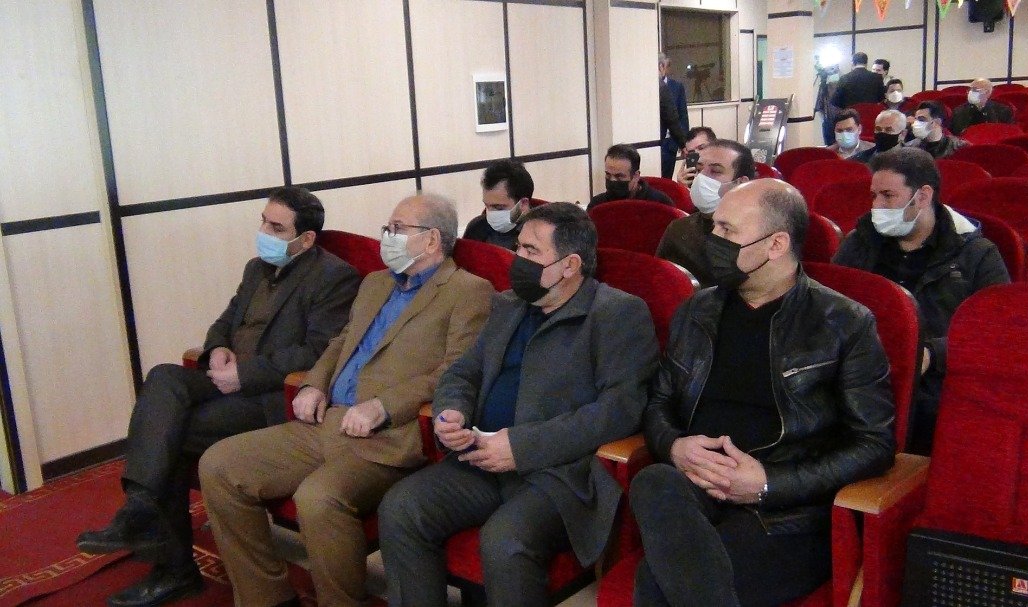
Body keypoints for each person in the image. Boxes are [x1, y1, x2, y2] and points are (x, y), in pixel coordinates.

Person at [198, 194, 493, 607]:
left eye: (397, 229)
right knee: (219, 465)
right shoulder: (375, 283)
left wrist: (383, 406)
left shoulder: (468, 291)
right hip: (326, 420)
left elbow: (456, 370)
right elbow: (341, 341)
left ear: (431, 240)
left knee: (318, 499)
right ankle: (267, 597)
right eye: (387, 228)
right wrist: (314, 383)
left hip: (386, 437)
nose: (386, 237)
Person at [75, 187, 361, 607]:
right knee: (164, 377)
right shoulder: (255, 268)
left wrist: (244, 373)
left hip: (270, 394)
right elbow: (226, 320)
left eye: (276, 227)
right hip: (225, 377)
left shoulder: (334, 277)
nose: (264, 232)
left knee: (170, 435)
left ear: (306, 239)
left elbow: (319, 351)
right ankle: (140, 506)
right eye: (263, 221)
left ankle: (170, 564)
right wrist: (217, 348)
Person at [377, 202, 659, 607]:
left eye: (531, 251)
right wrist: (452, 411)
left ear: (570, 265)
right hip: (480, 457)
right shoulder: (509, 304)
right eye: (518, 247)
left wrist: (521, 447)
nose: (517, 259)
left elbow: (619, 411)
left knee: (504, 540)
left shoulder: (617, 313)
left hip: (559, 473)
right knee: (400, 508)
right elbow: (463, 372)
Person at [630, 178, 896, 607]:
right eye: (713, 227)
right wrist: (675, 446)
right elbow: (660, 402)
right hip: (697, 486)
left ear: (775, 245)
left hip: (787, 511)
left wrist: (770, 484)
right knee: (654, 480)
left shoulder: (845, 323)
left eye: (727, 231)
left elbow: (875, 444)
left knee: (658, 582)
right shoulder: (697, 309)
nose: (711, 241)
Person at [833, 147, 1009, 455]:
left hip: (937, 382)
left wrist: (932, 354)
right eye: (873, 196)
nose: (876, 206)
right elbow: (828, 304)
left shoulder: (976, 254)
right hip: (861, 371)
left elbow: (998, 332)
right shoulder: (859, 243)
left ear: (923, 196)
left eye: (888, 196)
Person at [658, 139, 755, 287]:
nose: (701, 178)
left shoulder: (759, 235)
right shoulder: (678, 229)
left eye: (715, 171)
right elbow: (662, 283)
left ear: (740, 183)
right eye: (698, 170)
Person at [461, 159, 534, 250]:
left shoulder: (541, 236)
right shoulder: (475, 228)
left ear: (523, 204)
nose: (490, 213)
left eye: (498, 207)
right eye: (487, 206)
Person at [588, 144, 674, 209]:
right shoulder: (597, 205)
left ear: (636, 176)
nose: (612, 180)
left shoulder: (660, 204)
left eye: (619, 176)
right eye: (608, 175)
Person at [660, 53, 690, 179]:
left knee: (666, 181)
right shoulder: (647, 88)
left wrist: (684, 142)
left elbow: (682, 116)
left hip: (670, 144)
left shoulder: (676, 87)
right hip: (654, 143)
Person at [949, 78, 1014, 135]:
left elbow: (1005, 133)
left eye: (976, 90)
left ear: (987, 93)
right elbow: (957, 133)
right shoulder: (958, 111)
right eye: (970, 90)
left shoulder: (1003, 111)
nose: (971, 93)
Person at [904, 101, 969, 159]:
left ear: (937, 122)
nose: (915, 123)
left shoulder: (958, 147)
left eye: (921, 119)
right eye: (916, 119)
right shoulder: (912, 148)